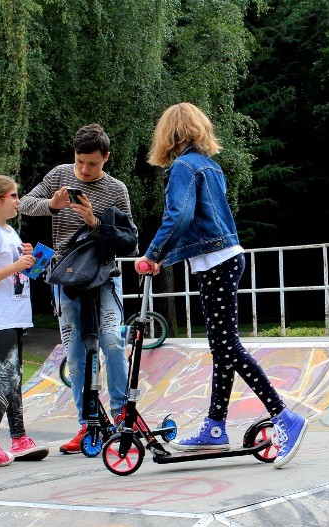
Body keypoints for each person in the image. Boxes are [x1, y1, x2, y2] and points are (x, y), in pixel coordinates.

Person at [134, 102, 308, 469]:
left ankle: (284, 417)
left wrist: (152, 254)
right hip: (225, 257)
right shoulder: (210, 165)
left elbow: (178, 216)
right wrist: (167, 256)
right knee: (222, 345)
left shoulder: (183, 166)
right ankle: (215, 426)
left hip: (217, 263)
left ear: (169, 133)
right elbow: (199, 219)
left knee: (227, 344)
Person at [19, 124, 133, 454]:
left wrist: (96, 223)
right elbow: (25, 203)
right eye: (80, 162)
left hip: (104, 276)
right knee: (76, 354)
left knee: (111, 341)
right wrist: (51, 206)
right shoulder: (59, 175)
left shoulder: (116, 189)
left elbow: (128, 239)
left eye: (92, 164)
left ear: (106, 158)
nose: (84, 170)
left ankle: (122, 414)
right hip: (65, 278)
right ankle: (88, 424)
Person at [0, 175, 49, 466]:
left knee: (14, 380)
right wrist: (17, 263)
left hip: (15, 314)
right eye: (14, 196)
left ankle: (20, 439)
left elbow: (24, 275)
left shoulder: (10, 233)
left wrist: (31, 258)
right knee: (8, 378)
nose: (18, 201)